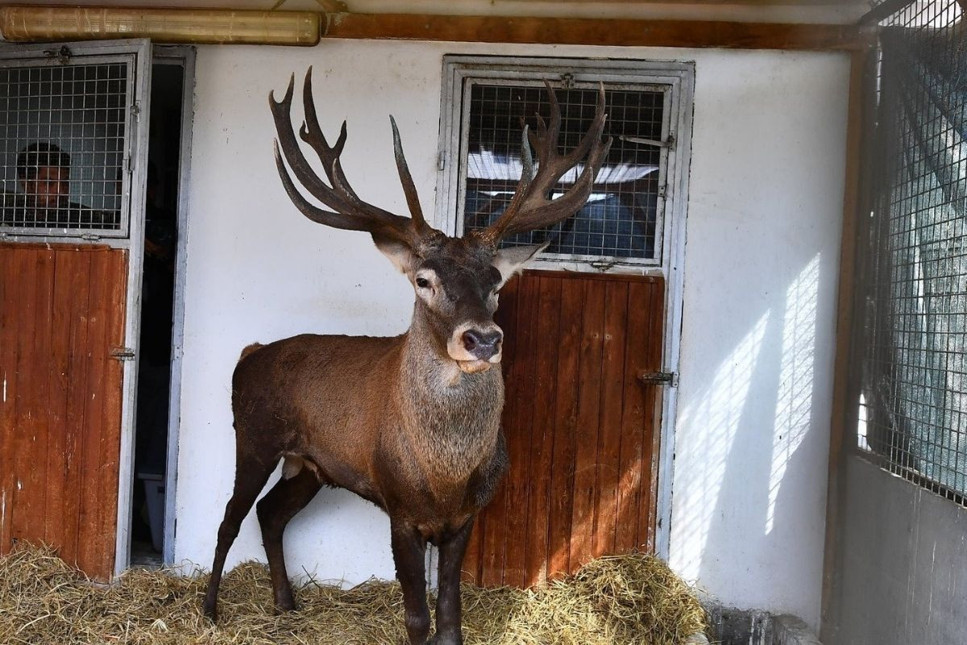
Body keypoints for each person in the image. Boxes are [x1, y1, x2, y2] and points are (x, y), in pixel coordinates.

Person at [2, 142, 115, 228]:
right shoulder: (8, 218)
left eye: (65, 182)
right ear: (26, 184)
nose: (61, 191)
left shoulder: (83, 218)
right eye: (49, 183)